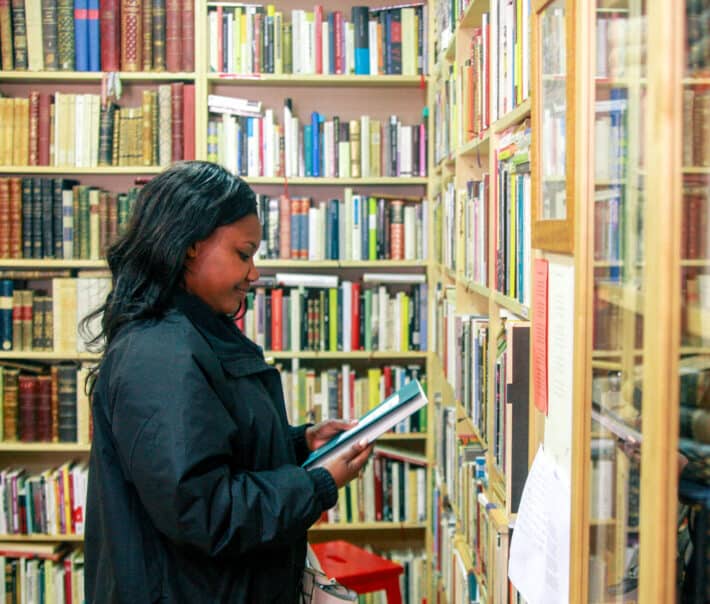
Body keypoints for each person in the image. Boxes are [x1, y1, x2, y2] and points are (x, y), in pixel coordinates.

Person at [83, 161, 373, 603]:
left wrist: (302, 445)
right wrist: (315, 484)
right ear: (189, 248)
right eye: (243, 254)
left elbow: (213, 446)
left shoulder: (197, 331)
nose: (253, 274)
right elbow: (204, 510)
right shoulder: (160, 352)